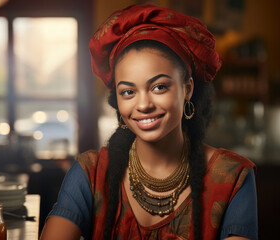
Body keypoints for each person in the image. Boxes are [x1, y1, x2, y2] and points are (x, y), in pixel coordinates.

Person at [40, 4, 258, 240]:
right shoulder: (90, 173)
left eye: (159, 87)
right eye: (128, 92)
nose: (143, 105)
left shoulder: (232, 177)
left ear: (187, 89)